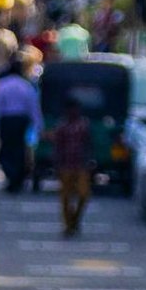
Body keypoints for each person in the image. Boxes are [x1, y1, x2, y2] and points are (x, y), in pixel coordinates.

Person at [0, 55, 41, 193]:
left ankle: (13, 177)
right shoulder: (25, 86)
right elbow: (33, 106)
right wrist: (37, 124)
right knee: (19, 150)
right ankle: (15, 177)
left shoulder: (3, 85)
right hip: (20, 121)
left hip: (7, 121)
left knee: (6, 150)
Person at [54, 95, 93, 237]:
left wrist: (90, 162)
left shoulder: (83, 125)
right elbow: (58, 147)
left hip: (81, 165)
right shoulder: (62, 126)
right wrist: (57, 165)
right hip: (66, 165)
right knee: (65, 197)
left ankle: (75, 219)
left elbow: (88, 144)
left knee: (84, 194)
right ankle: (68, 225)